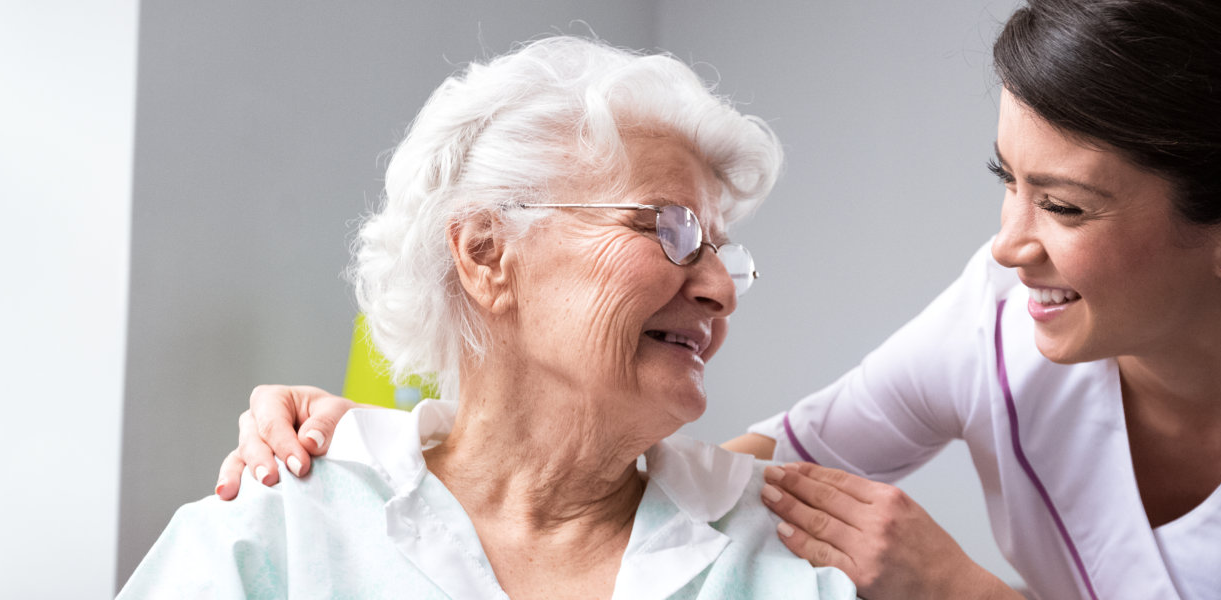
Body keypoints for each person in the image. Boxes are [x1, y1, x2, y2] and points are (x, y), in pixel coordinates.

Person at [220, 0, 1221, 597]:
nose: (1008, 245)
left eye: (1064, 207)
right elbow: (759, 471)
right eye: (1004, 181)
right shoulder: (256, 538)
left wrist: (956, 594)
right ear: (483, 259)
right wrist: (406, 447)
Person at [120, 36, 855, 599]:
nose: (722, 287)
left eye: (720, 251)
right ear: (485, 255)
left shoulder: (786, 561)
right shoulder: (277, 533)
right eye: (669, 228)